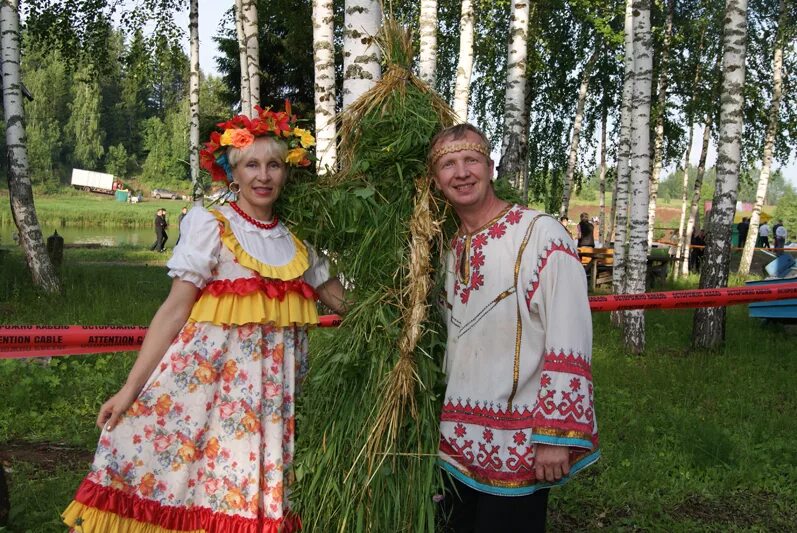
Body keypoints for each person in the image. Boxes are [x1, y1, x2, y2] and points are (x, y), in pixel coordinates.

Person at [62, 103, 346, 533]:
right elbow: (174, 309)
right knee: (200, 485)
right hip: (211, 392)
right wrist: (129, 388)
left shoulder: (298, 238)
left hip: (276, 404)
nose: (263, 176)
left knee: (254, 494)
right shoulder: (211, 224)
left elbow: (336, 296)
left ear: (287, 171)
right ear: (233, 171)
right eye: (251, 164)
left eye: (273, 165)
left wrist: (391, 315)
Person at [429, 124, 599, 533]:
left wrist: (555, 435)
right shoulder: (445, 248)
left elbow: (569, 332)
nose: (462, 173)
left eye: (471, 160)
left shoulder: (539, 234)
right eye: (448, 165)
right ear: (436, 181)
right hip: (452, 443)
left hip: (519, 440)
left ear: (490, 168)